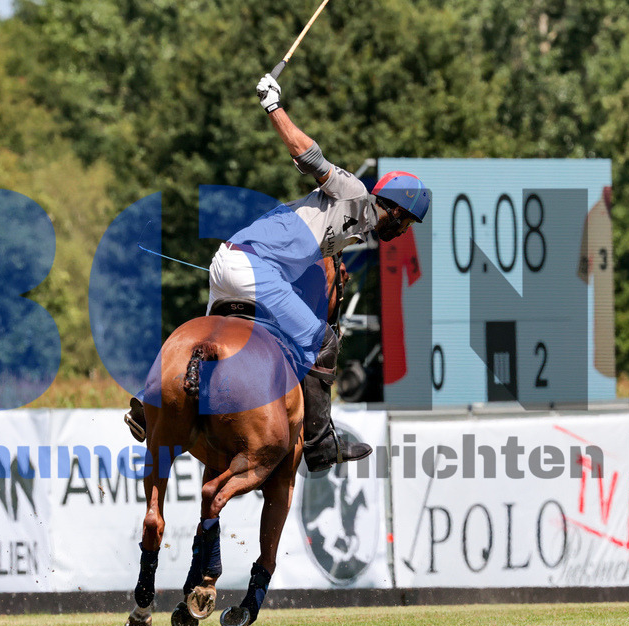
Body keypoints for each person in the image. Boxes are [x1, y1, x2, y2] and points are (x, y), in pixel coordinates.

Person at [126, 72, 430, 473]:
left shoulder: (354, 230)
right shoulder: (355, 194)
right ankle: (321, 443)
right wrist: (273, 105)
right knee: (324, 341)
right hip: (254, 267)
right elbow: (308, 156)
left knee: (206, 346)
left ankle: (151, 409)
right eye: (406, 222)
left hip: (228, 264)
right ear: (393, 205)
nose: (403, 231)